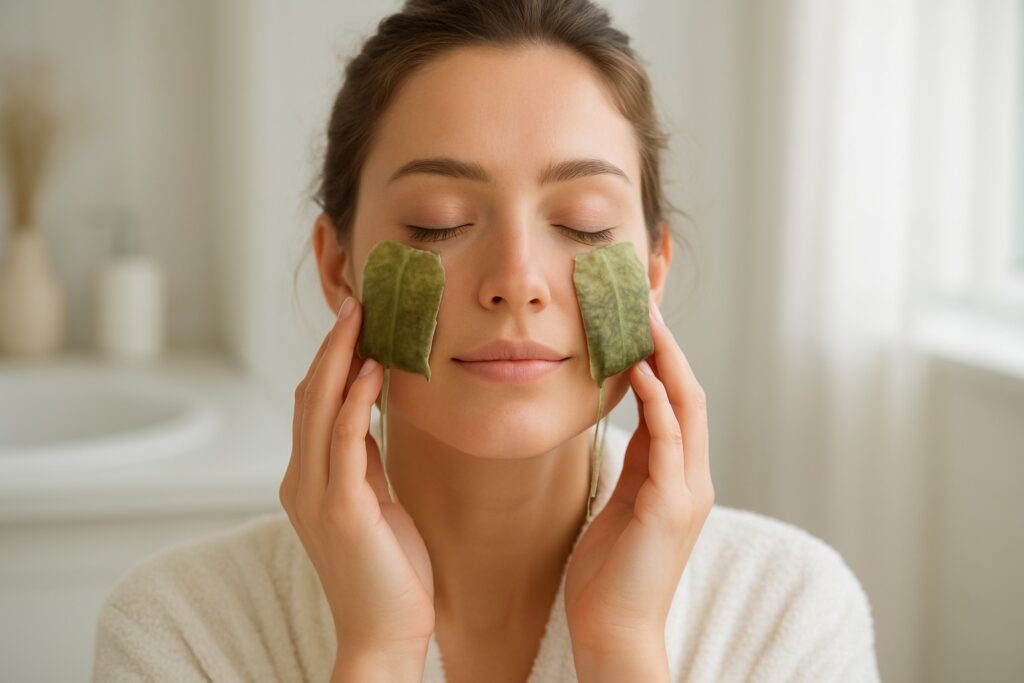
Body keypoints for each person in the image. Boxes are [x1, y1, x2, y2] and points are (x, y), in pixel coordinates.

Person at [91, 1, 881, 681]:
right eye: (439, 221)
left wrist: (624, 648)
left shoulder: (789, 612)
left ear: (652, 271)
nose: (517, 278)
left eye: (584, 224)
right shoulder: (179, 628)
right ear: (339, 266)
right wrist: (376, 651)